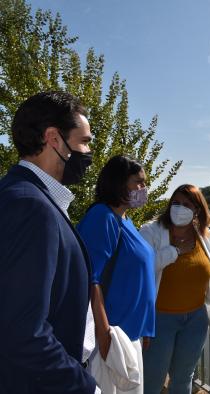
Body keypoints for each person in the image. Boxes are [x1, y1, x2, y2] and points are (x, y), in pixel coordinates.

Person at [0, 91, 96, 393]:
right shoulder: (30, 207)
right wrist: (84, 387)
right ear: (54, 138)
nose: (88, 152)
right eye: (84, 141)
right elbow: (22, 330)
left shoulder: (25, 196)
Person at [140, 184, 210, 394]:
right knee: (153, 378)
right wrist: (174, 251)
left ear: (197, 210)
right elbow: (142, 266)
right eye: (175, 203)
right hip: (160, 318)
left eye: (186, 204)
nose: (179, 208)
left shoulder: (204, 235)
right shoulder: (151, 231)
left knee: (184, 378)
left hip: (196, 319)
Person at [77, 155, 156, 393]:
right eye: (137, 182)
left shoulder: (125, 220)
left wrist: (144, 329)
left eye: (144, 183)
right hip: (111, 340)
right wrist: (104, 337)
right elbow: (92, 279)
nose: (143, 189)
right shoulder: (103, 217)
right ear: (118, 182)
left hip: (128, 335)